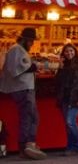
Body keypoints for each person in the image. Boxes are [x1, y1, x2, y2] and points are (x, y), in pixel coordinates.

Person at [1, 27, 46, 160]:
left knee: (31, 117)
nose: (32, 44)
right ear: (26, 40)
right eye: (31, 41)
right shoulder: (16, 50)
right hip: (22, 88)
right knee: (29, 117)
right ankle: (26, 145)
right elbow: (18, 68)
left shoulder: (18, 50)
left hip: (24, 87)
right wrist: (36, 66)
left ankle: (28, 144)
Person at [54, 44, 78, 156]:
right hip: (65, 96)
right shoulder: (63, 64)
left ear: (75, 51)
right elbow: (57, 82)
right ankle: (70, 147)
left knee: (70, 122)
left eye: (71, 51)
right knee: (67, 123)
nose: (69, 53)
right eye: (66, 51)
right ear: (63, 54)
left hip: (76, 96)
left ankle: (77, 145)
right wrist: (60, 67)